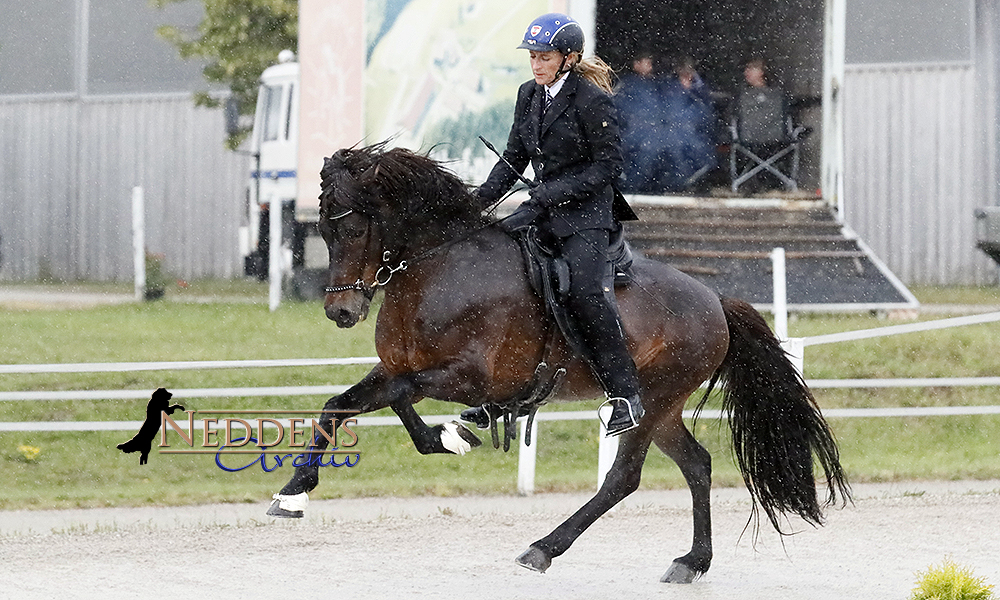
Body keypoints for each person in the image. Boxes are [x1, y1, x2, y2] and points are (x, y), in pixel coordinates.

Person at [465, 12, 644, 437]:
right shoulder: (528, 95)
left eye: (544, 57)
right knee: (496, 270)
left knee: (584, 292)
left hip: (586, 215)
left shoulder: (590, 100)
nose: (536, 64)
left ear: (568, 57)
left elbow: (608, 168)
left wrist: (554, 191)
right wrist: (475, 203)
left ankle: (625, 394)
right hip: (544, 208)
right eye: (533, 57)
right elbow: (512, 161)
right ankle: (505, 391)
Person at [659, 56, 717, 192]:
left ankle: (696, 182)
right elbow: (665, 110)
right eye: (682, 73)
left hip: (697, 130)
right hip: (673, 130)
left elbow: (706, 112)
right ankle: (680, 182)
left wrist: (691, 91)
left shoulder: (701, 88)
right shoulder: (669, 86)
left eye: (689, 73)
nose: (686, 76)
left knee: (701, 152)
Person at [614, 51, 671, 193]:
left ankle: (654, 188)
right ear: (636, 64)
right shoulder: (626, 85)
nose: (650, 67)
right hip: (631, 134)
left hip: (654, 133)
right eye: (647, 63)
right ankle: (632, 186)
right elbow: (617, 108)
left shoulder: (656, 84)